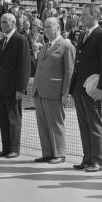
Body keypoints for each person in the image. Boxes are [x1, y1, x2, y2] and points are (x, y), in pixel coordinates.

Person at [69, 3, 102, 172]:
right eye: (81, 14)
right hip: (80, 87)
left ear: (95, 16)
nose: (82, 17)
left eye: (85, 15)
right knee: (83, 124)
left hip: (92, 89)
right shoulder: (82, 35)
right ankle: (87, 158)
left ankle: (98, 161)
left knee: (94, 124)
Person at [32, 17, 75, 164]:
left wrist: (66, 93)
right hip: (40, 91)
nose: (46, 29)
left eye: (49, 26)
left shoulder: (66, 46)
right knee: (43, 124)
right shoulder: (44, 46)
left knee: (56, 124)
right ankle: (48, 152)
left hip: (55, 92)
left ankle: (59, 154)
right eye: (45, 26)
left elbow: (69, 72)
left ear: (58, 28)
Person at [0, 13, 30, 158]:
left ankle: (14, 149)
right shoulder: (2, 41)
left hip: (14, 87)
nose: (2, 24)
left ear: (13, 23)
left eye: (5, 22)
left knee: (14, 118)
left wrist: (21, 88)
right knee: (3, 118)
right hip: (2, 87)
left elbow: (25, 67)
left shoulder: (21, 40)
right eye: (1, 22)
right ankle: (6, 148)